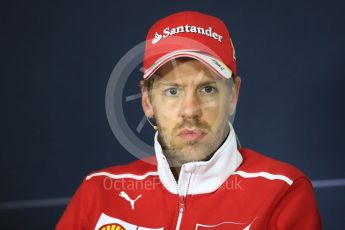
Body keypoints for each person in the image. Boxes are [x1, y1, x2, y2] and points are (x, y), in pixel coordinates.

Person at [56, 11, 322, 230]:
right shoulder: (99, 192)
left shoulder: (282, 192)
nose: (190, 110)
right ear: (147, 101)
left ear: (233, 96)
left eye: (207, 89)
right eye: (172, 91)